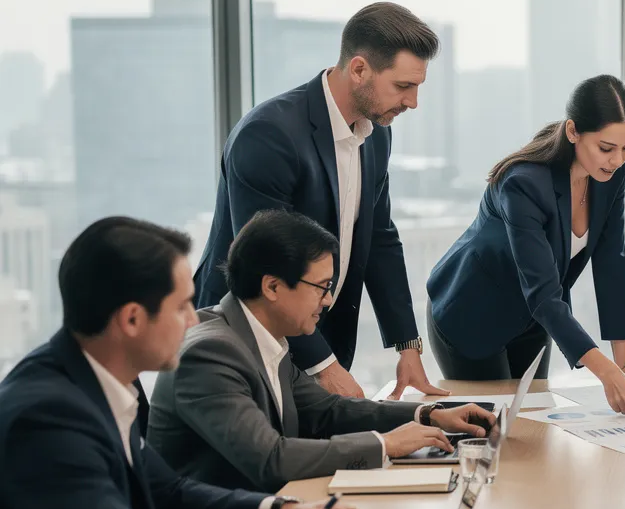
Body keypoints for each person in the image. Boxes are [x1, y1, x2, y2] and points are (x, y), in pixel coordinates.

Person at [0, 217, 372, 509]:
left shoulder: (103, 384)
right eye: (181, 308)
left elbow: (170, 492)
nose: (194, 320)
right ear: (132, 319)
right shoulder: (48, 418)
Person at [194, 2, 446, 401]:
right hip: (243, 342)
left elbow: (380, 236)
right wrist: (325, 368)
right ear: (359, 69)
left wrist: (407, 346)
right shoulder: (268, 135)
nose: (412, 102)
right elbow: (266, 263)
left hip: (318, 331)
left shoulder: (376, 132)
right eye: (403, 87)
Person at [150, 211, 495, 493]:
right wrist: (385, 445)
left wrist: (429, 415)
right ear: (272, 286)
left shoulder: (264, 336)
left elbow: (328, 411)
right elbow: (270, 458)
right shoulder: (210, 353)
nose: (328, 300)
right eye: (321, 288)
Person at [425, 75, 625, 418]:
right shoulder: (524, 184)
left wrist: (624, 366)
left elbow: (611, 260)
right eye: (606, 148)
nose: (617, 160)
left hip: (533, 319)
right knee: (493, 429)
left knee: (535, 423)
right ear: (573, 132)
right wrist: (604, 373)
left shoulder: (610, 171)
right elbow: (544, 291)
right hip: (474, 312)